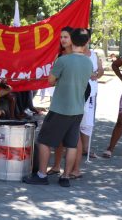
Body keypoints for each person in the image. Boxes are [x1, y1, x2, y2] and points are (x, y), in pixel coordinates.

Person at [23, 28, 93, 188]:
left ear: (72, 41)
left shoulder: (63, 60)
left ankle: (41, 175)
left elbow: (51, 80)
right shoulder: (88, 62)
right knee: (71, 144)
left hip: (60, 108)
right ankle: (66, 177)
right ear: (86, 42)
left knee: (43, 141)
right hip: (77, 109)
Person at [70, 31, 103, 178]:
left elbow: (100, 71)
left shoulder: (95, 55)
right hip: (76, 92)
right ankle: (72, 152)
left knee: (86, 123)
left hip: (91, 94)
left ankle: (84, 149)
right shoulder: (72, 55)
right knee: (74, 124)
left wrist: (97, 73)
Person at [47, 26, 74, 176]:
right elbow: (52, 80)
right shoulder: (60, 56)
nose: (63, 40)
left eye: (66, 37)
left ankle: (70, 172)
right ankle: (57, 166)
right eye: (61, 37)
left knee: (72, 140)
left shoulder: (80, 56)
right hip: (60, 99)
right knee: (59, 137)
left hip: (75, 100)